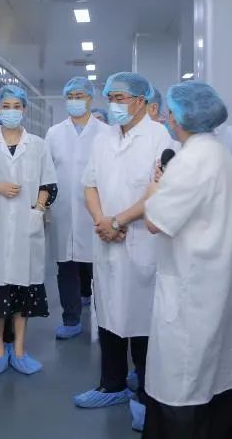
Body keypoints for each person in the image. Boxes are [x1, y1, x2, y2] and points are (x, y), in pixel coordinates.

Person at [139, 82, 232, 438]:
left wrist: (155, 186)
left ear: (183, 117)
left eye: (170, 113)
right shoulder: (219, 152)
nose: (167, 119)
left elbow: (155, 221)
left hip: (192, 286)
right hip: (215, 279)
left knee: (184, 375)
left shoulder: (190, 161)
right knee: (214, 370)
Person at [74, 72, 174, 414]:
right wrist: (102, 221)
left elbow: (157, 193)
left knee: (143, 318)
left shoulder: (160, 138)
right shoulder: (103, 138)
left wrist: (117, 221)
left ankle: (147, 393)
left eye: (120, 98)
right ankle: (112, 384)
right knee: (109, 314)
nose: (114, 104)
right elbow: (89, 185)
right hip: (106, 238)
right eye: (111, 98)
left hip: (140, 240)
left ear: (142, 101)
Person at [0, 84, 57, 376]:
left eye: (16, 106)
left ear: (24, 110)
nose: (11, 111)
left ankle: (19, 349)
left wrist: (38, 209)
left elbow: (48, 184)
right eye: (5, 106)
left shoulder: (38, 145)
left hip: (26, 229)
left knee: (24, 291)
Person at [44, 77, 106, 340]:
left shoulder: (105, 132)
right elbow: (46, 171)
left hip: (96, 210)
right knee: (66, 267)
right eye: (70, 97)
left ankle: (106, 319)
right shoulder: (54, 133)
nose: (75, 101)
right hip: (63, 210)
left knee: (98, 269)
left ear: (90, 98)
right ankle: (71, 320)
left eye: (80, 96)